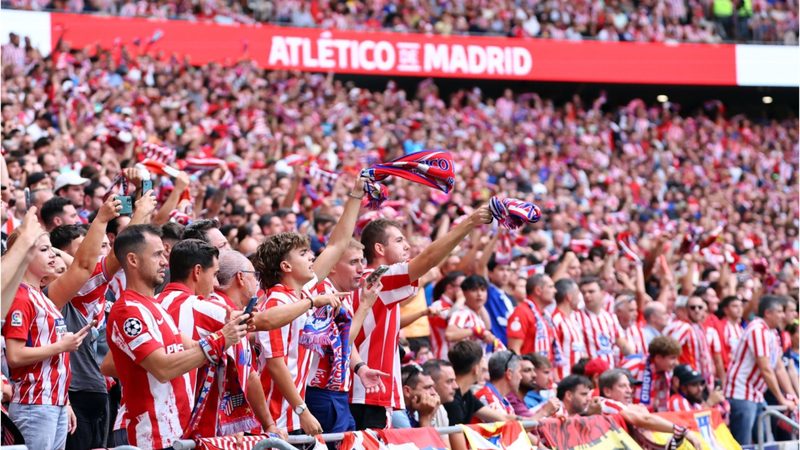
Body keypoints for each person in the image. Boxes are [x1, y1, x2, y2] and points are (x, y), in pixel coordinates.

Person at [104, 224, 249, 449]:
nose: (164, 261)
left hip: (174, 431)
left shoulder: (157, 305)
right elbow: (163, 368)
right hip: (148, 436)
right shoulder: (128, 310)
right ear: (132, 260)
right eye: (156, 255)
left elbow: (192, 349)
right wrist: (221, 339)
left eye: (164, 253)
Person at [350, 205, 493, 430]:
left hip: (370, 392)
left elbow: (385, 325)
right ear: (379, 248)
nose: (407, 246)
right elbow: (427, 259)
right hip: (367, 393)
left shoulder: (375, 284)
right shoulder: (378, 278)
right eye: (399, 241)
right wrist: (468, 223)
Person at [4, 198, 121, 450]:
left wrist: (64, 402)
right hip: (34, 404)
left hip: (54, 403)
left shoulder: (41, 296)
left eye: (52, 250)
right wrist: (62, 346)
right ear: (23, 255)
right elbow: (14, 356)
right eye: (44, 250)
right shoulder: (19, 296)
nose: (53, 256)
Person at [252, 174, 362, 436]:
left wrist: (356, 194)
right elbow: (276, 364)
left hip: (290, 415)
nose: (311, 256)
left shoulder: (299, 295)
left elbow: (338, 244)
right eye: (303, 254)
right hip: (275, 417)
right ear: (286, 266)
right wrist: (303, 410)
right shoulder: (278, 300)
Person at [305, 239, 388, 435]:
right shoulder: (323, 293)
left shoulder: (343, 291)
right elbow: (342, 341)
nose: (361, 269)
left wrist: (360, 368)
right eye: (353, 262)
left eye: (362, 261)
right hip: (319, 393)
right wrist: (366, 305)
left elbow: (344, 345)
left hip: (335, 394)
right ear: (332, 266)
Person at [724, 295, 798, 445]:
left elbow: (779, 368)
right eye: (779, 311)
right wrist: (781, 398)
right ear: (768, 313)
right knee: (743, 443)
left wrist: (792, 396)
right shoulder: (757, 329)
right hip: (741, 393)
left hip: (757, 394)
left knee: (765, 441)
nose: (782, 315)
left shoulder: (772, 333)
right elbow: (765, 368)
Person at [592, 369, 703, 449]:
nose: (629, 391)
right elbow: (644, 420)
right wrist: (682, 431)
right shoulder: (606, 403)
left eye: (630, 386)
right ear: (607, 391)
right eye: (622, 386)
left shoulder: (623, 407)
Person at [442, 340, 507, 425]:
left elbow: (502, 418)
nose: (486, 375)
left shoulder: (466, 394)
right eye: (483, 369)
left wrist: (526, 421)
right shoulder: (452, 402)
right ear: (476, 369)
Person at [575, 277, 632, 367]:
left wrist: (634, 356)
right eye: (583, 292)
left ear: (602, 293)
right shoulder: (576, 317)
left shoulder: (610, 317)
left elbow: (621, 342)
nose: (587, 295)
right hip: (589, 372)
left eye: (591, 292)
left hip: (609, 371)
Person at [620, 336, 681, 412]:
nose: (677, 363)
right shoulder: (633, 366)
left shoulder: (666, 373)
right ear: (658, 358)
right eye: (673, 358)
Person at [507, 274, 559, 364]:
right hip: (530, 374)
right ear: (538, 290)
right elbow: (514, 350)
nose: (555, 290)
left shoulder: (546, 315)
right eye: (550, 287)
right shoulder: (521, 312)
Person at [445, 275, 496, 349]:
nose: (479, 294)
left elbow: (487, 327)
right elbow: (449, 335)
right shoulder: (463, 313)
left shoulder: (476, 314)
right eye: (474, 290)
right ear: (464, 293)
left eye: (483, 290)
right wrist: (475, 331)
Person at [551, 278, 586, 380]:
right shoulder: (556, 320)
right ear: (569, 297)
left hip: (579, 379)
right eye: (578, 294)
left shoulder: (575, 318)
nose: (580, 299)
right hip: (564, 379)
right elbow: (553, 352)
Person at [429, 271, 466, 360]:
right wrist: (461, 299)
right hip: (443, 358)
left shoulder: (459, 306)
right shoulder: (438, 305)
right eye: (463, 286)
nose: (467, 290)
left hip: (458, 358)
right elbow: (449, 319)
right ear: (449, 287)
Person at [484, 255, 516, 346]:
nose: (505, 274)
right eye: (501, 269)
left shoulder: (509, 298)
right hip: (493, 348)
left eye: (508, 270)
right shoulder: (487, 291)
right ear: (490, 273)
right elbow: (480, 266)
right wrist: (494, 240)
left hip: (508, 349)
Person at [716, 295, 745, 368]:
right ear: (726, 310)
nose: (739, 309)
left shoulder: (741, 328)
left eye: (741, 306)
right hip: (728, 368)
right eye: (735, 306)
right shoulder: (721, 327)